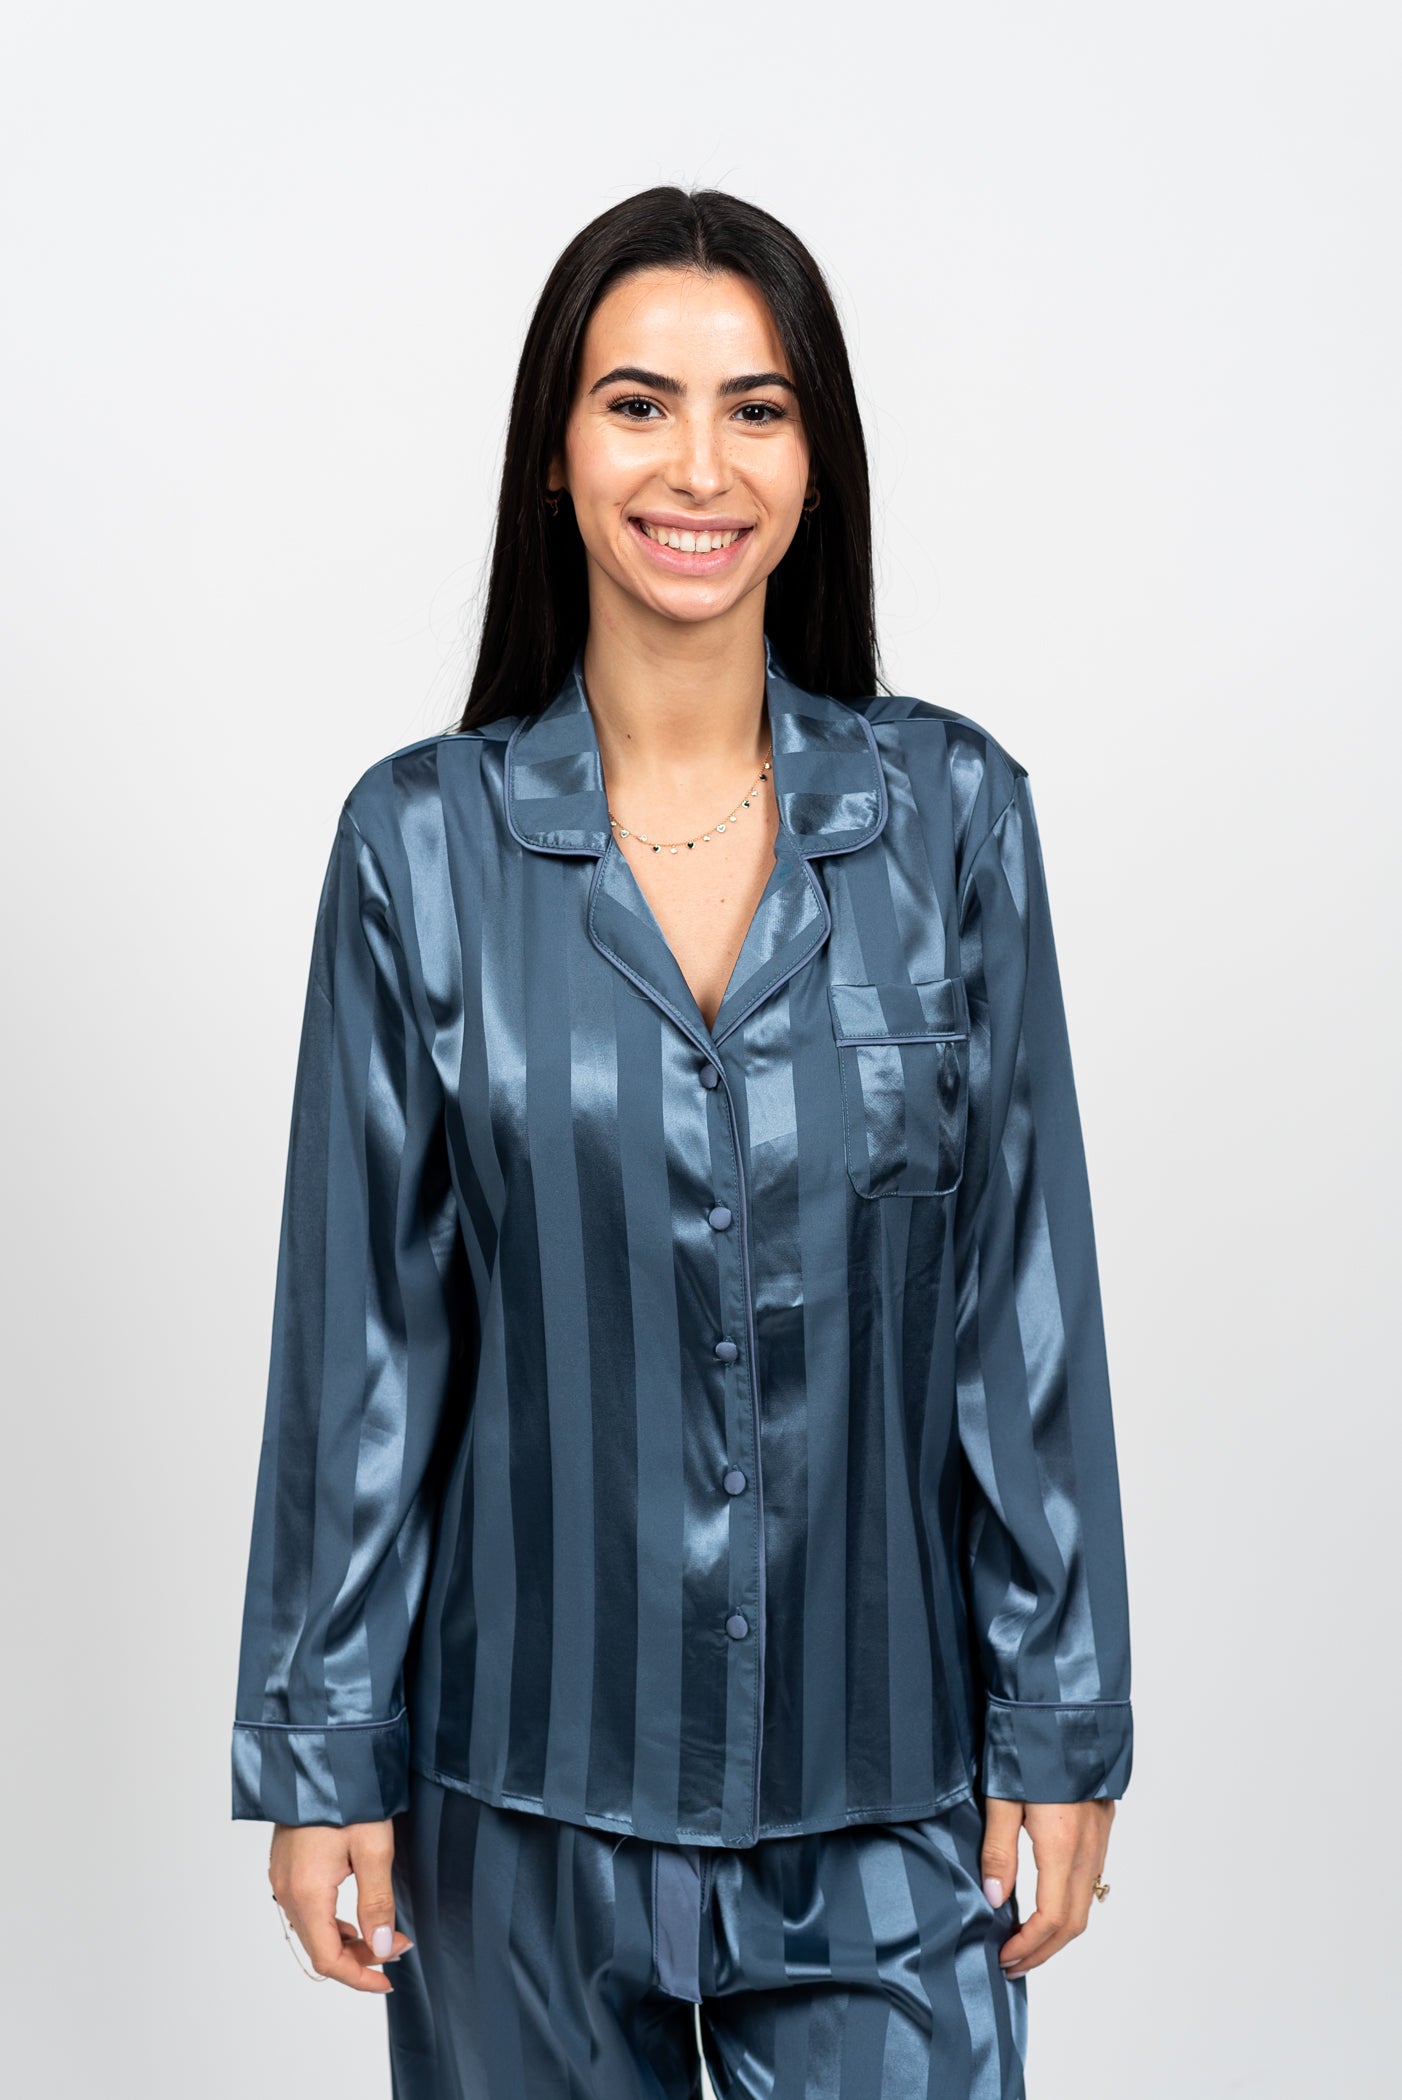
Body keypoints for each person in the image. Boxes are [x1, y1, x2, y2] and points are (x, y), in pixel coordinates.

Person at [231, 185, 1134, 2099]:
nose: (698, 467)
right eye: (638, 404)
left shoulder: (950, 820)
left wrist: (1058, 1719)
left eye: (759, 408)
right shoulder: (421, 848)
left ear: (816, 461)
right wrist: (322, 1756)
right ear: (553, 456)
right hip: (519, 1792)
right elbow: (365, 1349)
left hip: (887, 1784)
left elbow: (1017, 1308)